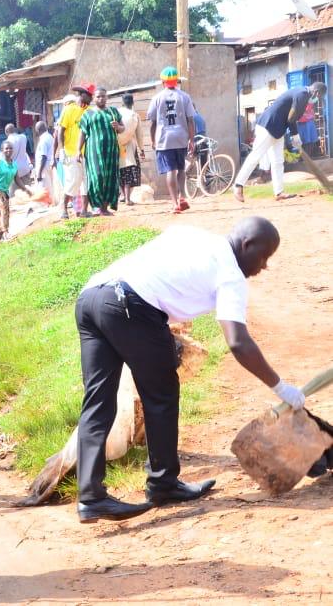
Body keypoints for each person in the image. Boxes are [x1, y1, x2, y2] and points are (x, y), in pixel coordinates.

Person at [74, 217, 302, 523]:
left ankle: (90, 497)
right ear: (247, 245)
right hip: (128, 305)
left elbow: (165, 274)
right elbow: (238, 343)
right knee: (161, 394)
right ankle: (163, 483)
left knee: (98, 402)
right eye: (264, 257)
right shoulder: (230, 273)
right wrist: (280, 387)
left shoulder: (190, 233)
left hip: (91, 297)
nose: (264, 267)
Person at [234, 81, 327, 201]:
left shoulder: (303, 94)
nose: (317, 100)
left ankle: (279, 192)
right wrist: (295, 136)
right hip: (268, 125)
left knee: (278, 161)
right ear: (316, 92)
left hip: (279, 128)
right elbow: (291, 119)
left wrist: (295, 136)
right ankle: (238, 185)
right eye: (318, 97)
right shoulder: (302, 94)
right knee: (255, 156)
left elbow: (291, 118)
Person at [147, 67, 196, 214]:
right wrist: (191, 140)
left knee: (170, 170)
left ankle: (175, 204)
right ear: (177, 81)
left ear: (163, 82)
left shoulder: (157, 98)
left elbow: (152, 122)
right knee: (181, 169)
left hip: (164, 138)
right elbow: (190, 120)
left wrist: (152, 140)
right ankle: (182, 196)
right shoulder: (185, 97)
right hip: (181, 137)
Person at [78, 87, 125, 216]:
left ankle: (105, 208)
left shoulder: (113, 111)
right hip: (94, 151)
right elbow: (82, 133)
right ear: (94, 98)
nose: (101, 98)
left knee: (110, 177)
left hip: (111, 151)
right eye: (98, 96)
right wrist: (78, 150)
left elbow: (122, 129)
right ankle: (96, 206)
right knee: (96, 176)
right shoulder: (88, 114)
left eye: (103, 96)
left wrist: (118, 127)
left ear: (107, 97)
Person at [54, 83, 94, 219]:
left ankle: (84, 211)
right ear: (83, 95)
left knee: (87, 182)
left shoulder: (89, 111)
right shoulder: (69, 109)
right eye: (90, 96)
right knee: (72, 181)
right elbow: (60, 130)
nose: (92, 99)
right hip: (70, 152)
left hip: (86, 153)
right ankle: (63, 209)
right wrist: (61, 148)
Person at [0, 141, 28, 240]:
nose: (8, 150)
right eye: (6, 148)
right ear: (2, 150)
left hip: (5, 191)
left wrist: (26, 189)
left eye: (10, 148)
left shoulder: (14, 164)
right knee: (3, 209)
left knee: (5, 211)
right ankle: (6, 232)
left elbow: (17, 179)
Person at [117, 93, 145, 206]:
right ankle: (127, 199)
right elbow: (139, 135)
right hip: (129, 147)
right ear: (133, 103)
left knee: (121, 172)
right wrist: (141, 149)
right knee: (129, 171)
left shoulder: (117, 113)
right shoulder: (134, 115)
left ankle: (123, 196)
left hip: (117, 147)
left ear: (122, 102)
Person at [33, 122, 55, 202]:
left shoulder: (43, 140)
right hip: (49, 165)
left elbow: (43, 157)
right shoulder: (49, 137)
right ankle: (51, 202)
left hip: (44, 167)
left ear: (38, 130)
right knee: (50, 185)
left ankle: (47, 204)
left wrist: (39, 172)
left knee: (44, 187)